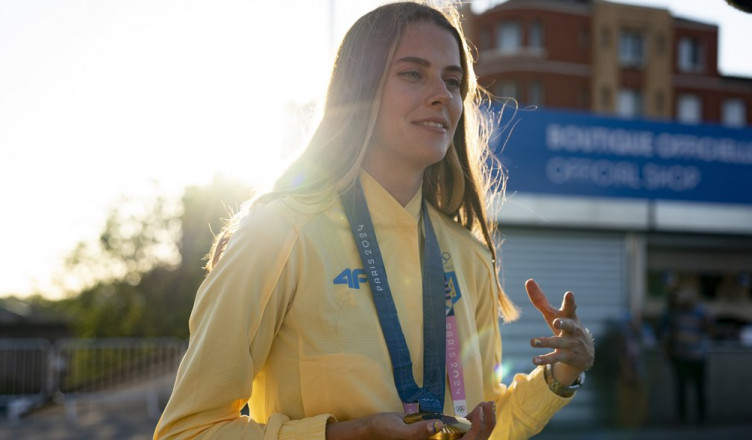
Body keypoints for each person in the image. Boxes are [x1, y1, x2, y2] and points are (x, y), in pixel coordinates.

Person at [154, 2, 595, 439]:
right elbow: (188, 430)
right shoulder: (278, 234)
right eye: (413, 73)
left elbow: (482, 420)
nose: (442, 93)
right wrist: (345, 434)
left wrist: (561, 373)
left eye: (453, 80)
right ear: (359, 90)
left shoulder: (470, 256)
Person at [662, 284, 712, 425]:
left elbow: (709, 329)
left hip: (697, 356)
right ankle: (681, 418)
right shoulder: (676, 313)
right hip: (682, 356)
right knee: (681, 389)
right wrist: (668, 350)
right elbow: (669, 332)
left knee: (700, 389)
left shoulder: (702, 312)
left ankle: (702, 419)